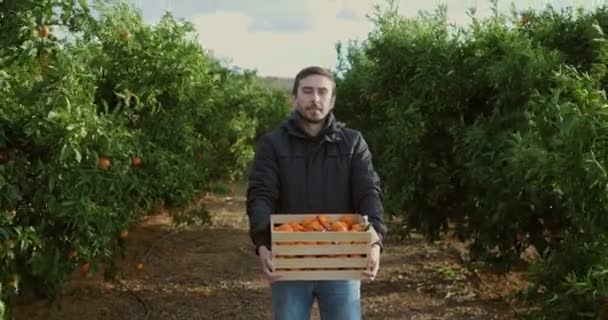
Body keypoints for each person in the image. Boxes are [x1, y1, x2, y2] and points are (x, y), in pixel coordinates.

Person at [246, 65, 387, 320]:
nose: (315, 99)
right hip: (290, 261)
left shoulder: (353, 143)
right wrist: (263, 242)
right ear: (294, 97)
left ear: (332, 101)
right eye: (307, 91)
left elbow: (368, 191)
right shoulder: (273, 144)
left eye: (322, 92)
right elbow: (261, 194)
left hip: (341, 261)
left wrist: (374, 239)